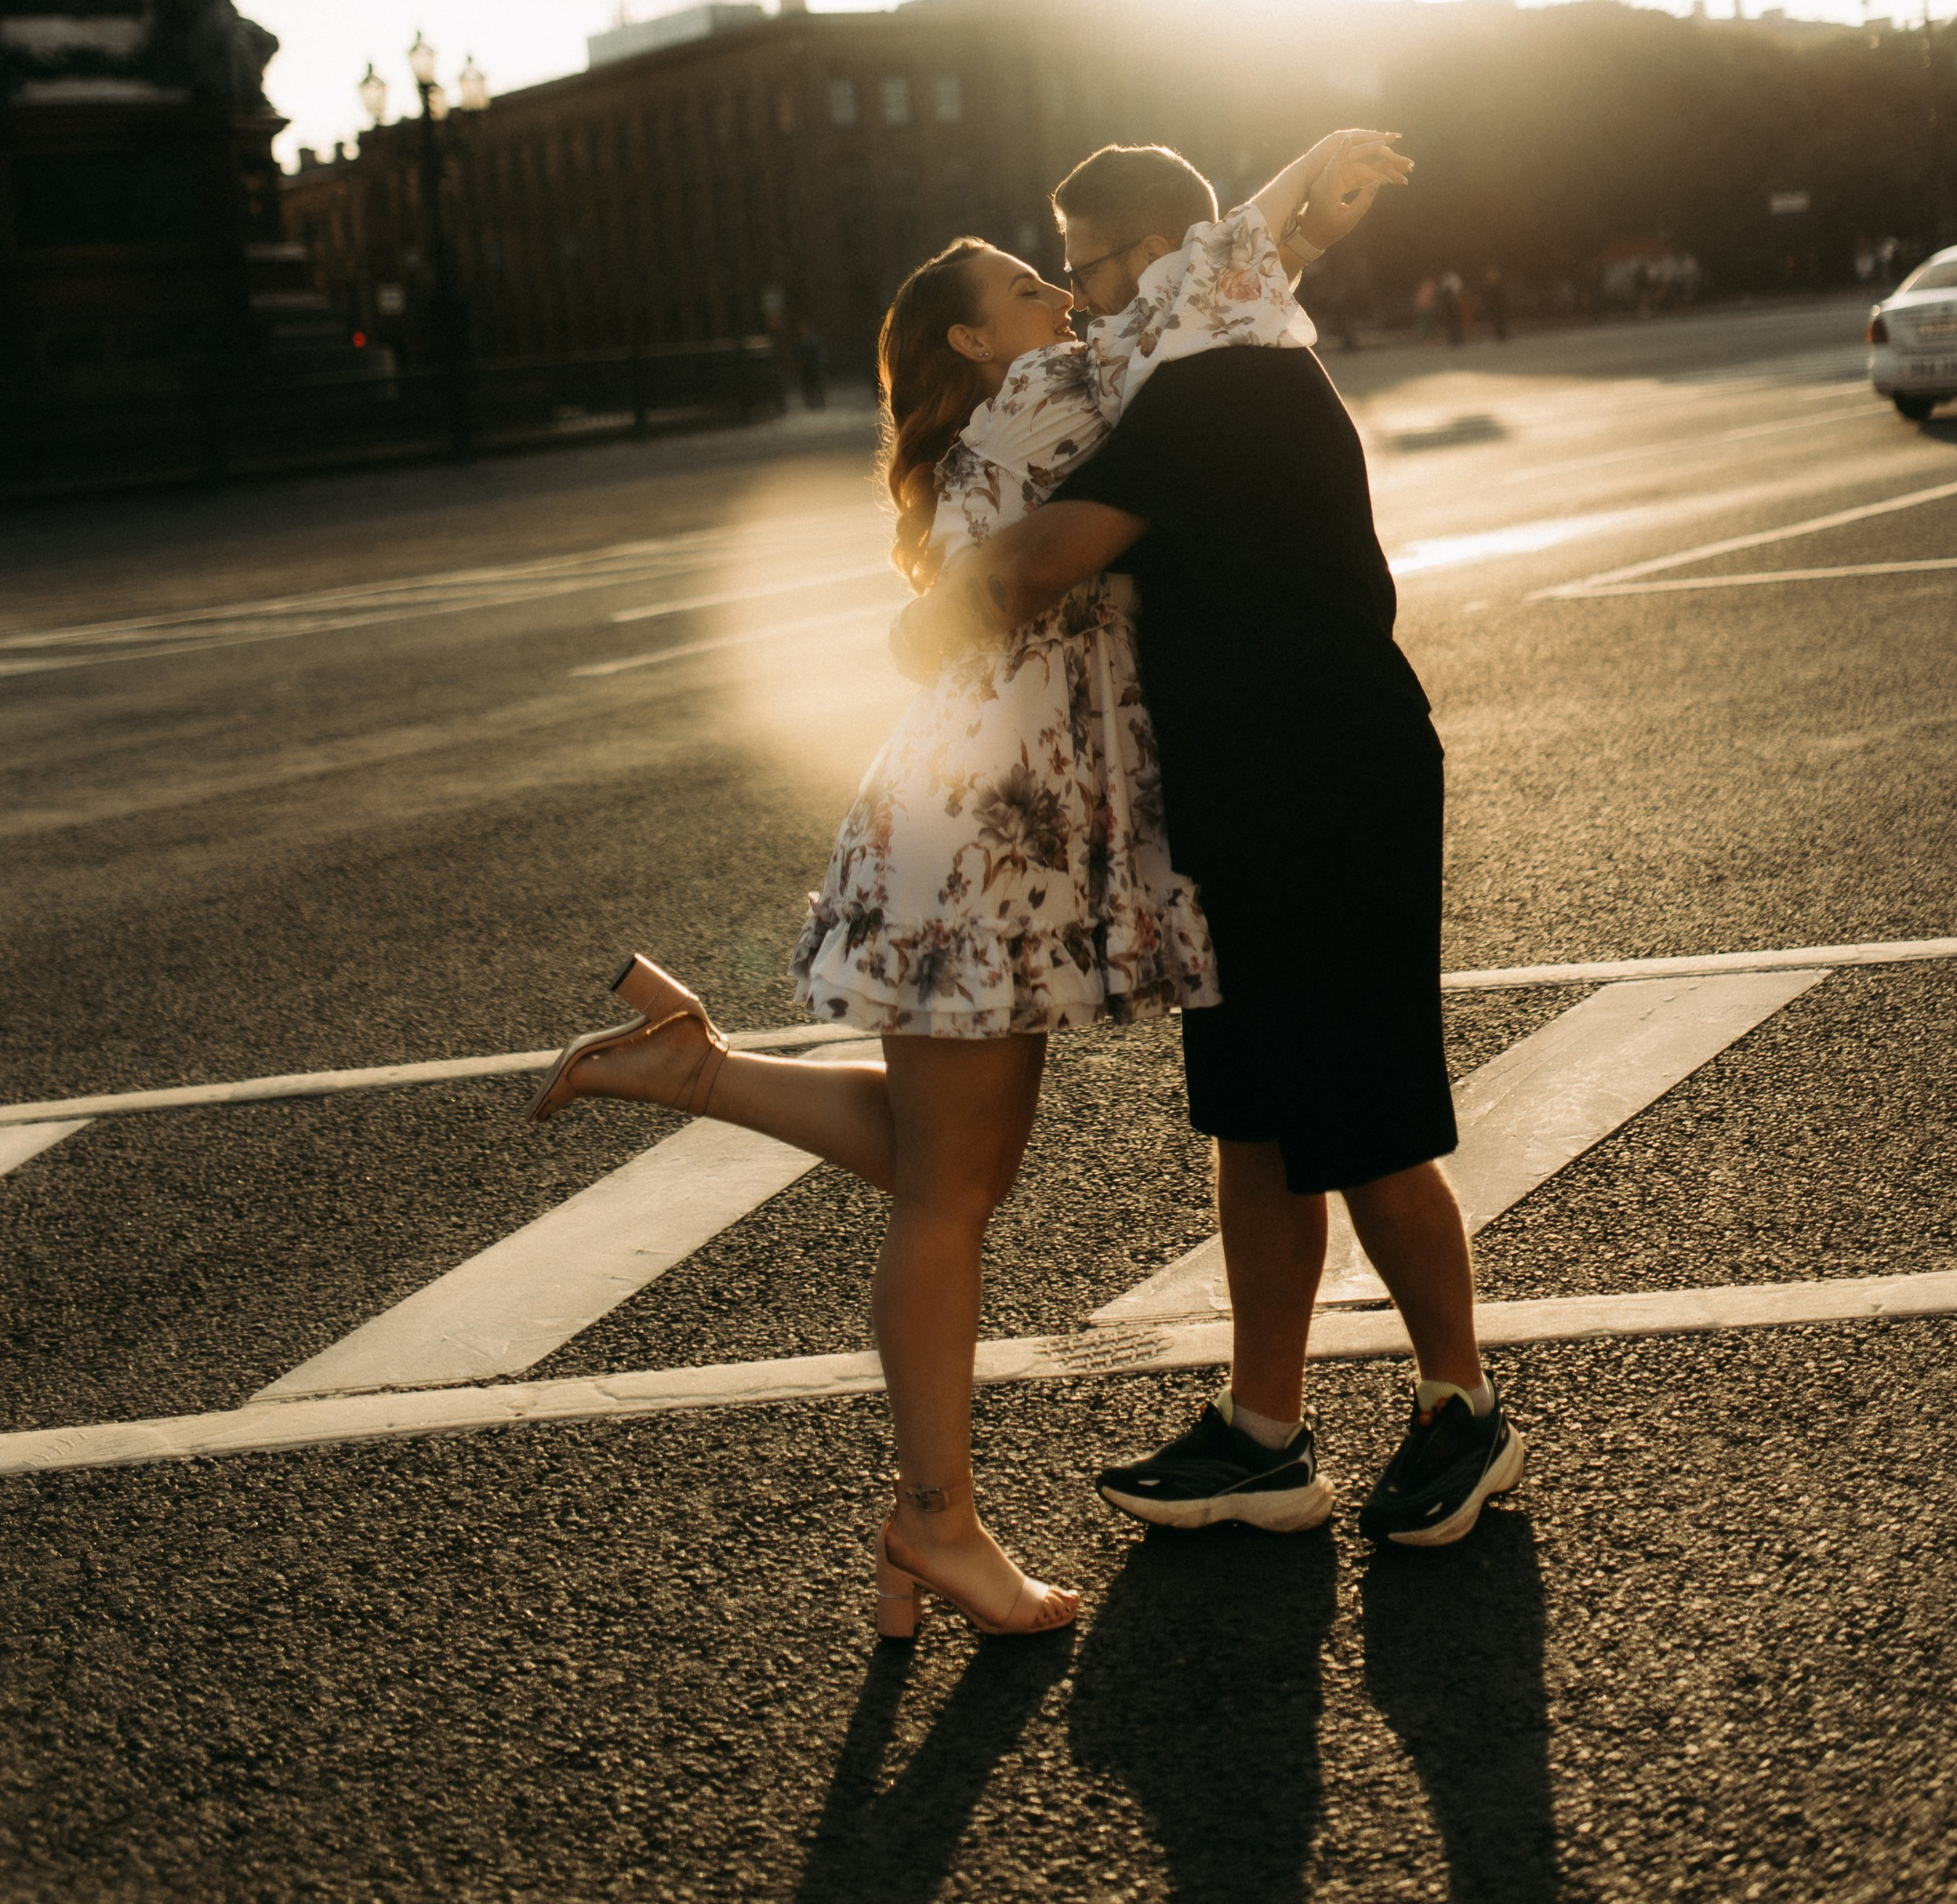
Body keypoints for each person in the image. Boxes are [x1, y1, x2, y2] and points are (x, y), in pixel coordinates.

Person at [527, 125, 1399, 1633]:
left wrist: (1298, 223)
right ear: (971, 340)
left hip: (990, 824)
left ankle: (699, 1075)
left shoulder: (1001, 427)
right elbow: (1182, 298)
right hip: (987, 833)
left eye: (1061, 275)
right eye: (1027, 284)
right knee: (948, 1198)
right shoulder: (1044, 405)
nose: (1063, 299)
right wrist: (1294, 199)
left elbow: (1174, 304)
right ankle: (936, 1520)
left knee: (953, 1168)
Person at [895, 142, 1524, 1553]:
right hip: (1248, 783)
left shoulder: (1215, 382)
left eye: (1088, 267)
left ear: (1147, 258)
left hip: (1330, 776)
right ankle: (1263, 1434)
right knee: (1255, 1122)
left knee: (1360, 1115)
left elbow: (1043, 556)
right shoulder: (1197, 356)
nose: (1079, 297)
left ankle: (1462, 1409)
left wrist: (927, 617)